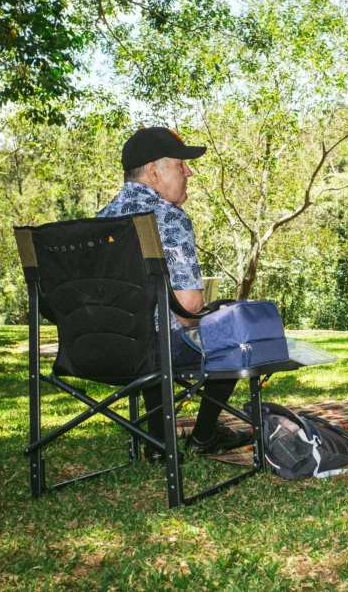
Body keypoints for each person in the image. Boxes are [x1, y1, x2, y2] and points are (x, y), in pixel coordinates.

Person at [97, 126, 252, 458]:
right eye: (181, 164)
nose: (189, 171)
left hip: (99, 351)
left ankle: (158, 444)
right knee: (235, 335)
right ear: (154, 172)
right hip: (153, 353)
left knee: (153, 327)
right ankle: (205, 435)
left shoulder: (99, 222)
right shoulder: (168, 218)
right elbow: (187, 309)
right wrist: (213, 315)